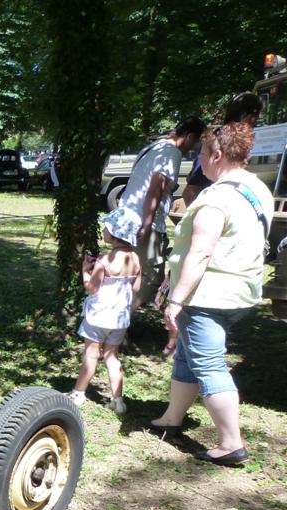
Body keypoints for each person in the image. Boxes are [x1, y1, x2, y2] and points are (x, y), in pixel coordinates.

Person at [148, 123, 273, 465]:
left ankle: (231, 443)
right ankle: (172, 419)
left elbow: (201, 252)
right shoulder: (257, 187)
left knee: (208, 364)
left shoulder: (217, 196)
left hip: (207, 296)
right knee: (188, 355)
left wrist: (175, 301)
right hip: (240, 291)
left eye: (202, 154)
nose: (199, 160)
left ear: (217, 154)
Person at [106, 117, 206, 309]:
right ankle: (118, 321)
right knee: (152, 276)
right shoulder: (172, 153)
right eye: (196, 142)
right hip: (144, 221)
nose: (194, 147)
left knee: (127, 271)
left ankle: (116, 321)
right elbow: (155, 189)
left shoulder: (155, 147)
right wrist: (146, 224)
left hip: (126, 218)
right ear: (189, 137)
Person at [66, 217, 142, 414]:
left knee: (91, 355)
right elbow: (137, 287)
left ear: (115, 234)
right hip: (119, 319)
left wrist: (85, 270)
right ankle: (118, 400)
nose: (103, 230)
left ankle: (78, 393)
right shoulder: (135, 258)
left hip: (98, 317)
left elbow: (91, 288)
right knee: (112, 356)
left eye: (106, 227)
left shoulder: (104, 261)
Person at [181, 93, 262, 207]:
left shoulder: (238, 141)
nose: (255, 122)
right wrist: (205, 219)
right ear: (250, 117)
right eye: (256, 117)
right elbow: (190, 192)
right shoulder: (220, 139)